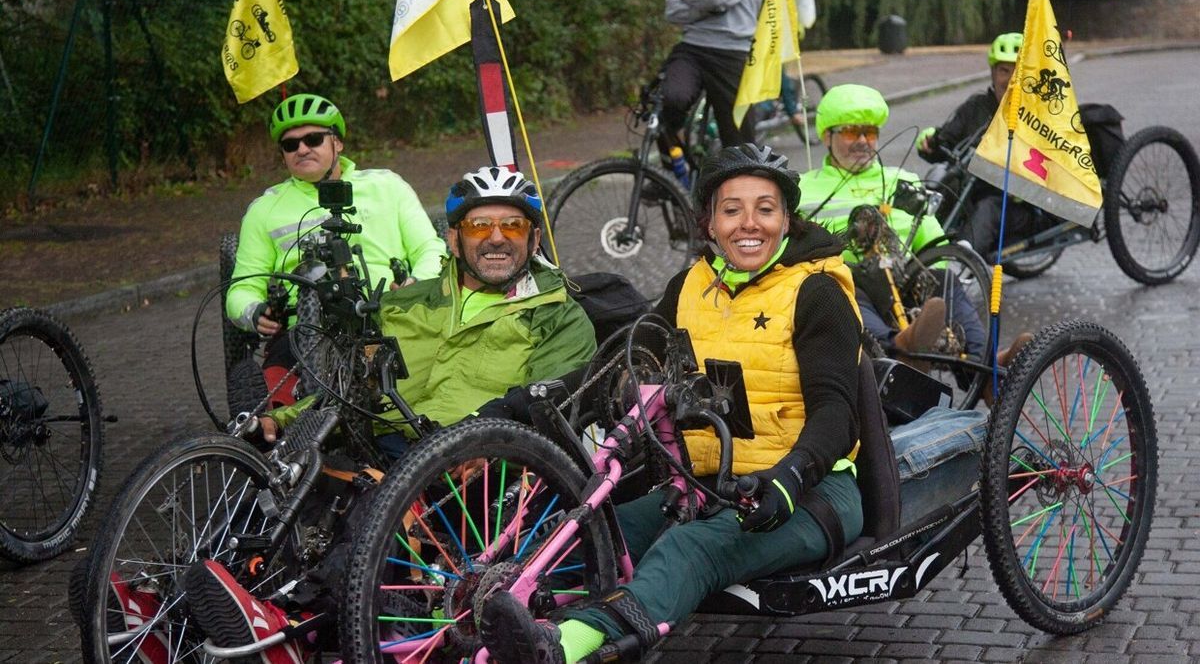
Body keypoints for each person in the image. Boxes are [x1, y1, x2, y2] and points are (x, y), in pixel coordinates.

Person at [476, 144, 989, 664]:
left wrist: (789, 478)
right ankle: (503, 616)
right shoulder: (690, 287)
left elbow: (837, 412)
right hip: (707, 486)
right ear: (710, 224)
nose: (750, 224)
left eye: (765, 209)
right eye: (732, 209)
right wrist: (518, 405)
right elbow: (619, 365)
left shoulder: (816, 292)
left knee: (688, 550)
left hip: (812, 491)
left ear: (787, 219)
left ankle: (562, 646)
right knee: (600, 530)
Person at [157, 167, 596, 664]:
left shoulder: (558, 314)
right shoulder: (406, 303)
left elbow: (545, 404)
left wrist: (473, 442)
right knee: (280, 482)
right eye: (479, 226)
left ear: (534, 237)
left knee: (363, 518)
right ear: (453, 238)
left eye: (512, 227)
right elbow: (349, 387)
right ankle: (179, 607)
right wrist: (285, 419)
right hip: (378, 449)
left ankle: (290, 629)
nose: (496, 239)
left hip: (472, 471)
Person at [225, 93, 447, 408]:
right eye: (290, 145)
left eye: (313, 139)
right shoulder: (264, 210)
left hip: (390, 317)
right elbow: (240, 289)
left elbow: (432, 250)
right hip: (302, 333)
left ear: (338, 143)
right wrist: (255, 312)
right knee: (270, 419)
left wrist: (416, 284)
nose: (302, 149)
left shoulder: (388, 186)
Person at [797, 83, 975, 365]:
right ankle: (899, 348)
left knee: (946, 280)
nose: (863, 141)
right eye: (852, 132)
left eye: (870, 132)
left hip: (906, 280)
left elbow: (932, 241)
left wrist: (933, 277)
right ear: (826, 136)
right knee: (849, 289)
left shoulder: (902, 180)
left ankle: (987, 366)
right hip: (846, 282)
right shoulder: (803, 190)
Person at [916, 33, 1044, 258]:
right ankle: (919, 252)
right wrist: (931, 144)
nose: (1010, 79)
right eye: (1004, 71)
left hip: (1019, 206)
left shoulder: (1039, 117)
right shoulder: (976, 107)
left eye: (1018, 72)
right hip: (969, 193)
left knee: (990, 207)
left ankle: (962, 264)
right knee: (939, 186)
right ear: (993, 74)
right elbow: (947, 142)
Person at [657, 0, 762, 164]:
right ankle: (671, 177)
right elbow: (672, 10)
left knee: (741, 145)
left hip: (733, 52)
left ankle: (740, 183)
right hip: (692, 47)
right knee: (668, 100)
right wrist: (708, 7)